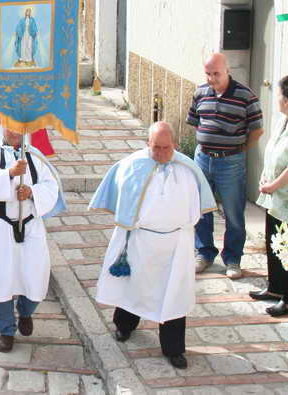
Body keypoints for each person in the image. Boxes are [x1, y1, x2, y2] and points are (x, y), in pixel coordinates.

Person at [92, 123, 217, 371]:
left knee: (174, 296)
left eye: (166, 148)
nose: (160, 153)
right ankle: (124, 326)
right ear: (147, 143)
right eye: (155, 147)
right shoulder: (132, 165)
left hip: (175, 244)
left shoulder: (188, 169)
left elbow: (195, 210)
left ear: (175, 145)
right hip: (140, 241)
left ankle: (174, 349)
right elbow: (122, 203)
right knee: (133, 286)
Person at [0, 127, 66, 352]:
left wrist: (31, 192)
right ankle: (6, 330)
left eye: (19, 128)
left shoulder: (34, 156)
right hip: (0, 226)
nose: (15, 132)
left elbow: (51, 187)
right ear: (3, 127)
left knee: (35, 275)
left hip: (30, 225)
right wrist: (9, 174)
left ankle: (26, 311)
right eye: (10, 126)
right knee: (1, 280)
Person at [187, 52, 264, 279]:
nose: (212, 78)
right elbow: (195, 123)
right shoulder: (200, 92)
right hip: (202, 159)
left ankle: (232, 259)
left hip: (230, 161)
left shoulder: (245, 96)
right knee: (201, 209)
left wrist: (240, 149)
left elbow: (257, 130)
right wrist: (207, 142)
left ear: (227, 70)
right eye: (208, 73)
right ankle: (204, 253)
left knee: (233, 213)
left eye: (216, 73)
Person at [253, 75, 288, 316]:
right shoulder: (282, 121)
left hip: (285, 197)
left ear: (286, 100)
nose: (276, 99)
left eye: (278, 95)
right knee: (273, 242)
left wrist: (273, 185)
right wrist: (264, 179)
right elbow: (273, 152)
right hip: (273, 195)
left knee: (286, 247)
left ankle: (287, 297)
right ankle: (275, 287)